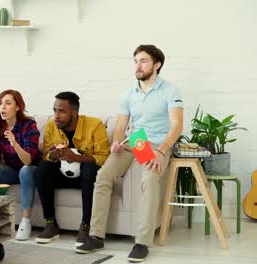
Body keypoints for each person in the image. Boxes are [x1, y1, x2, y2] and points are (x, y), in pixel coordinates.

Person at [76, 45, 184, 263]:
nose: (138, 65)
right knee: (103, 176)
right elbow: (121, 125)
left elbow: (177, 126)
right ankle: (96, 236)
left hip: (158, 144)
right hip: (137, 140)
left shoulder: (170, 91)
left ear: (157, 64)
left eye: (143, 61)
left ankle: (142, 242)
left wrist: (161, 152)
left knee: (149, 179)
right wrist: (116, 141)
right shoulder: (128, 94)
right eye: (136, 61)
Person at [34, 91, 110, 246]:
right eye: (55, 110)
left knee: (90, 168)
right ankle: (50, 223)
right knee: (42, 168)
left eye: (61, 111)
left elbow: (104, 157)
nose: (56, 115)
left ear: (74, 112)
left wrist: (77, 158)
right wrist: (53, 155)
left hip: (86, 178)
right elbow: (47, 155)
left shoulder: (95, 125)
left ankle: (86, 226)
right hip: (62, 175)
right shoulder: (51, 126)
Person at [0, 89, 41, 241]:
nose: (2, 107)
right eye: (0, 104)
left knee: (24, 170)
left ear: (17, 107)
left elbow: (28, 161)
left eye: (8, 103)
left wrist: (14, 143)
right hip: (11, 170)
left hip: (30, 170)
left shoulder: (29, 125)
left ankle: (25, 222)